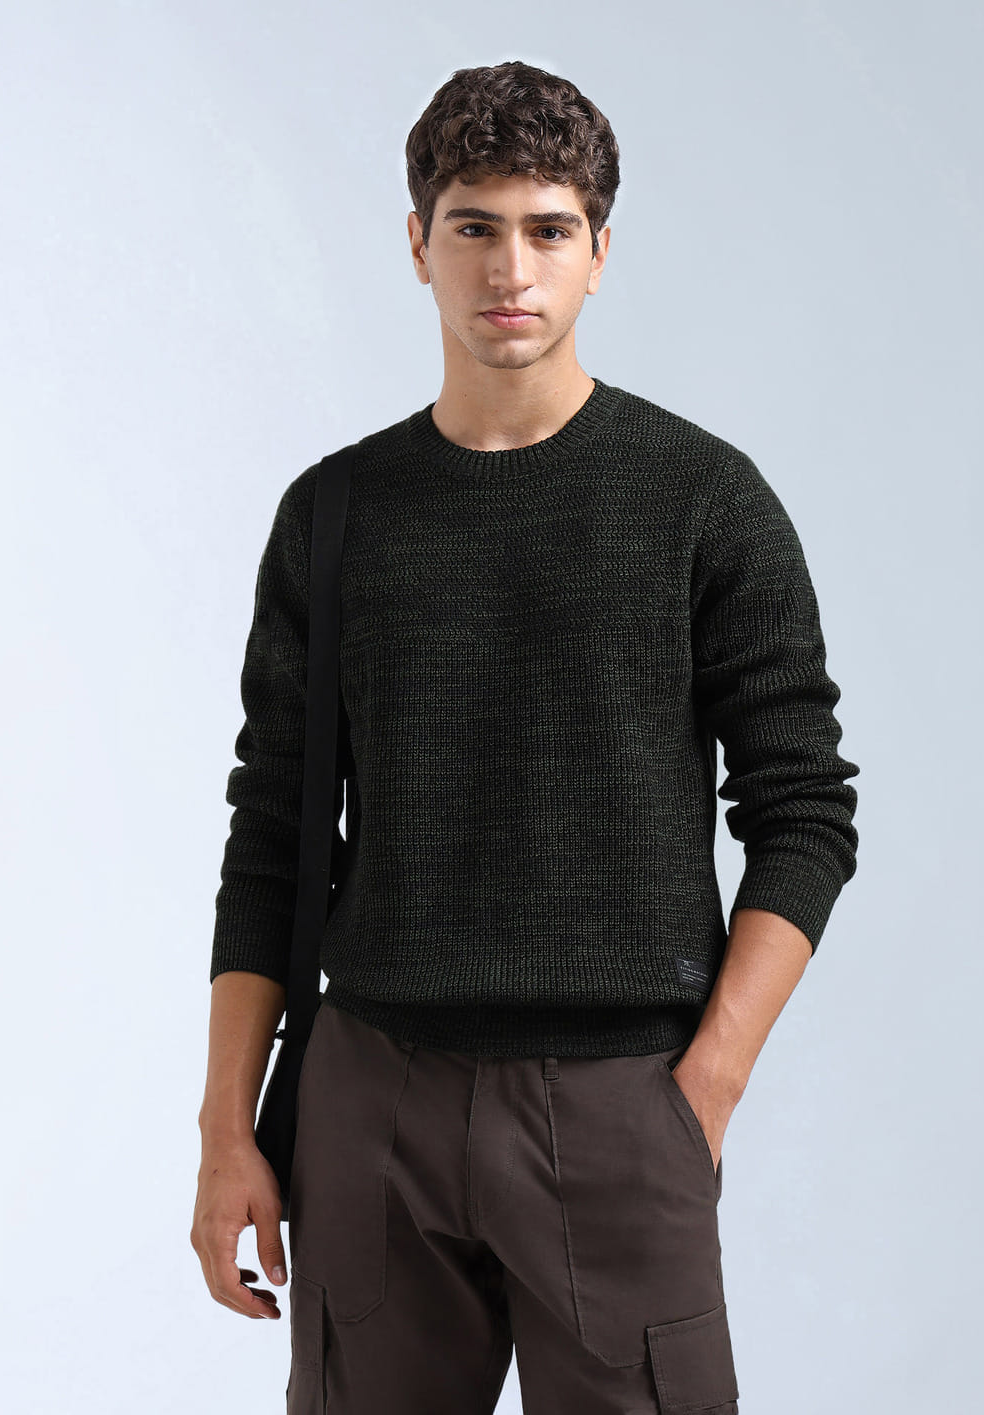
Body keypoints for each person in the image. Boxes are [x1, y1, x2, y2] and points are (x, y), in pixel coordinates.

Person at [191, 58, 860, 1415]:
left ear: (600, 253)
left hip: (621, 1099)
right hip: (370, 1097)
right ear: (417, 243)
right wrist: (224, 1130)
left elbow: (803, 814)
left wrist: (704, 1091)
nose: (511, 269)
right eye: (474, 227)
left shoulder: (700, 501)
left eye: (549, 229)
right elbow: (273, 834)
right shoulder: (335, 514)